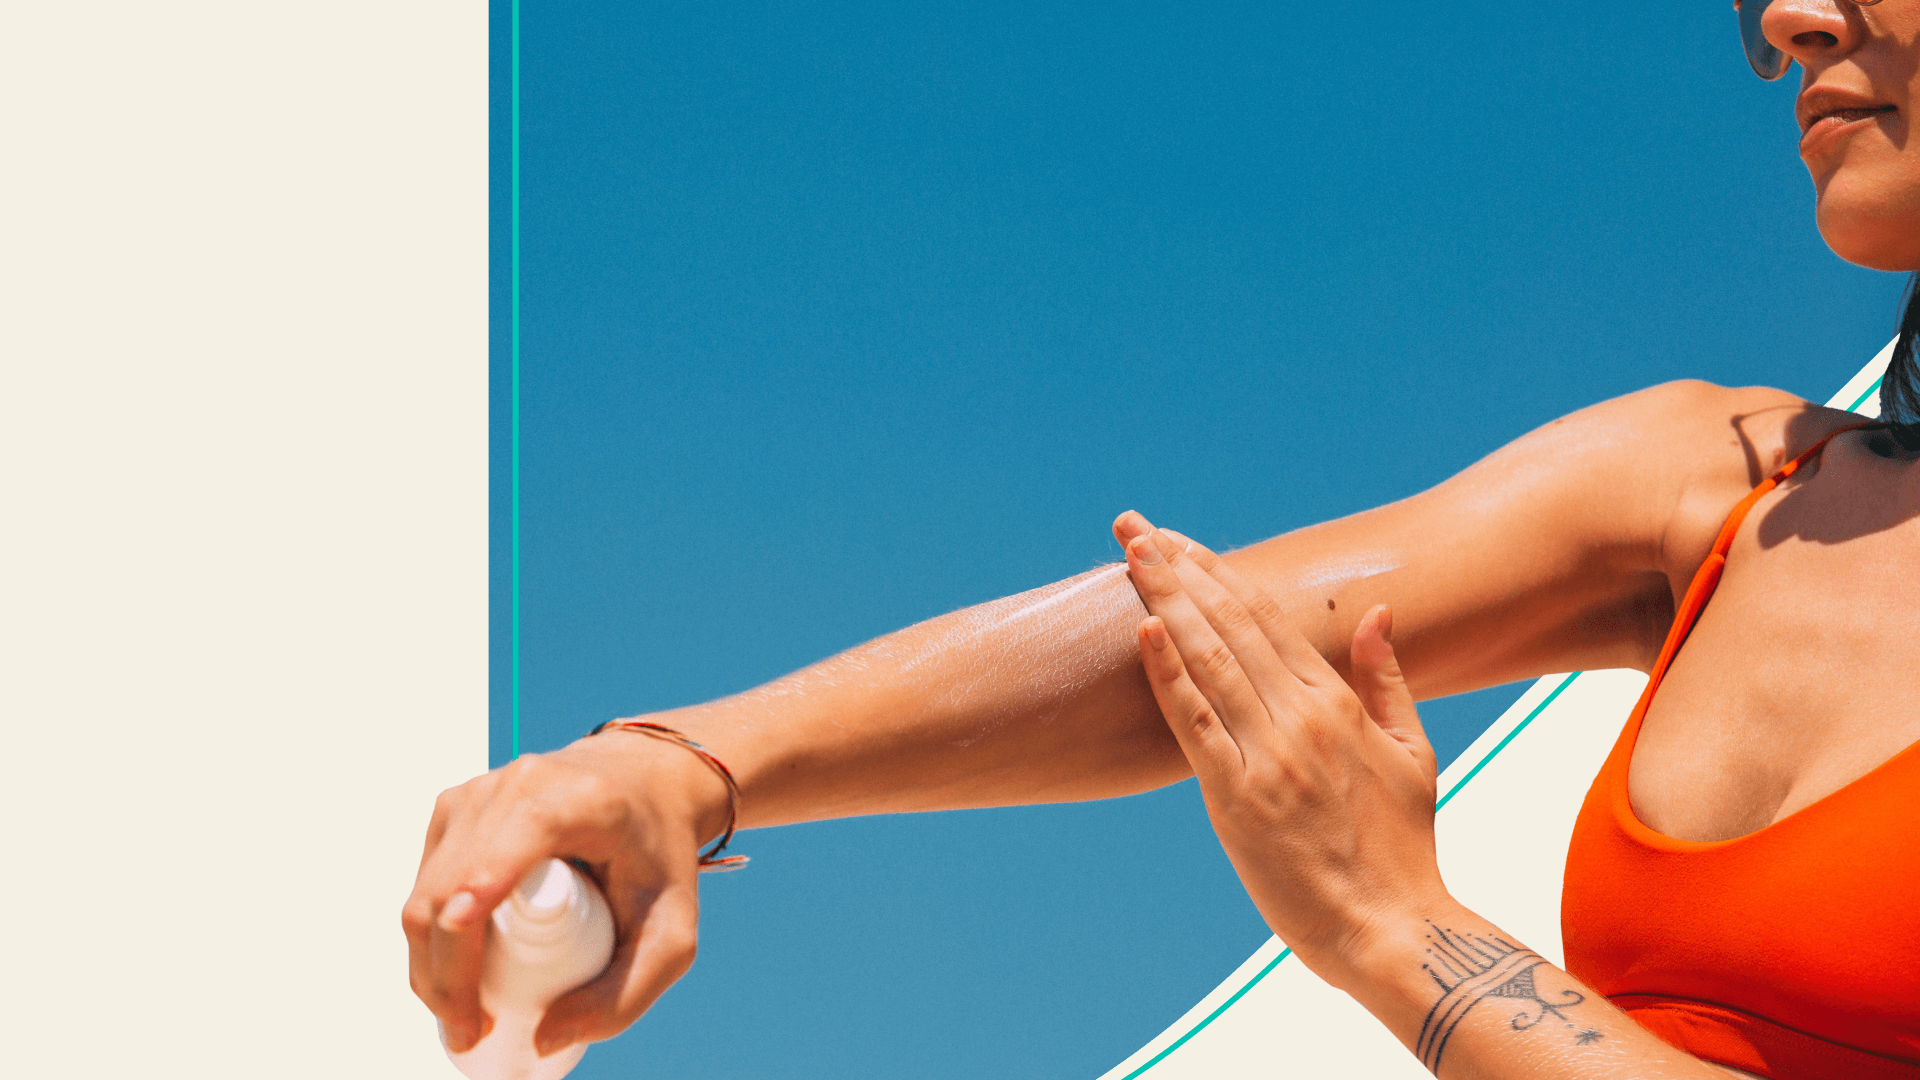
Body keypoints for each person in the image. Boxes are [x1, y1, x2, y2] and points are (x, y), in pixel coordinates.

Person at [405, 2, 1920, 1076]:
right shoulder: (1723, 485)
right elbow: (1193, 654)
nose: (1789, 18)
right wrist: (678, 768)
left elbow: (1367, 888)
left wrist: (1399, 933)